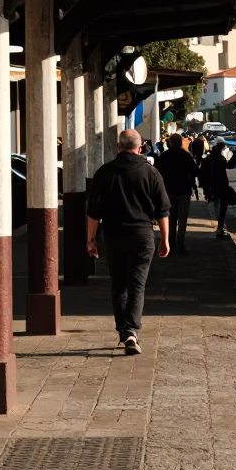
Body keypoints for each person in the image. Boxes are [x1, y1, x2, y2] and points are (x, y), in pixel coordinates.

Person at [86, 127, 170, 354]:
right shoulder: (151, 173)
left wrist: (91, 239)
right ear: (140, 146)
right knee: (137, 285)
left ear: (119, 147)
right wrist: (165, 239)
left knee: (119, 285)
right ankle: (132, 331)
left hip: (113, 236)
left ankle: (124, 330)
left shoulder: (104, 173)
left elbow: (94, 212)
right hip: (142, 236)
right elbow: (162, 210)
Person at [155, 134, 199, 254]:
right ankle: (180, 244)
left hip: (168, 192)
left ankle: (171, 242)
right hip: (184, 191)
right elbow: (195, 171)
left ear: (170, 143)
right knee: (182, 220)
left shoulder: (164, 157)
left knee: (170, 219)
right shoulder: (186, 156)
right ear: (180, 143)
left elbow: (156, 173)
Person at [206, 138, 231, 237]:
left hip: (215, 186)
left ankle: (220, 228)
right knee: (221, 208)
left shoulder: (212, 157)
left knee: (218, 208)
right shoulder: (217, 157)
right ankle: (220, 229)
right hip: (220, 186)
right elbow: (228, 166)